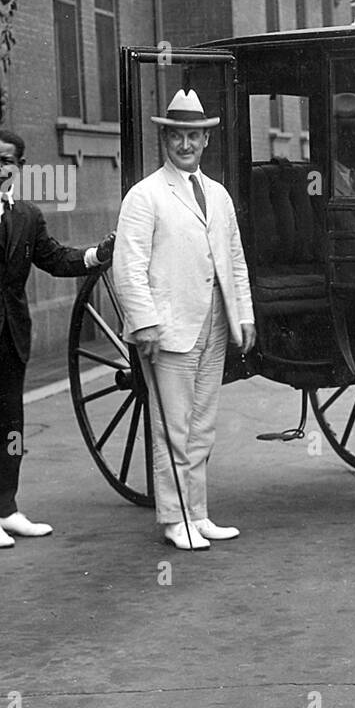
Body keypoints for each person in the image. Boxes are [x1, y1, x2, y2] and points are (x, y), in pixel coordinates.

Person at [0, 129, 114, 548]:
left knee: (10, 427)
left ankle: (7, 508)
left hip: (11, 338)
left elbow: (53, 257)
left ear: (20, 167)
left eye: (7, 161)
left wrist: (94, 256)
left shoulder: (27, 216)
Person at [112, 89, 255, 551]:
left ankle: (198, 513)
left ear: (205, 141)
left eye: (194, 136)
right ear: (165, 139)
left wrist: (244, 316)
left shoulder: (217, 195)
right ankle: (175, 518)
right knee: (171, 426)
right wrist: (145, 323)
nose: (186, 145)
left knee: (202, 424)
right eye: (178, 136)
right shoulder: (145, 195)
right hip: (170, 328)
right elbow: (127, 265)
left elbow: (234, 259)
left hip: (214, 323)